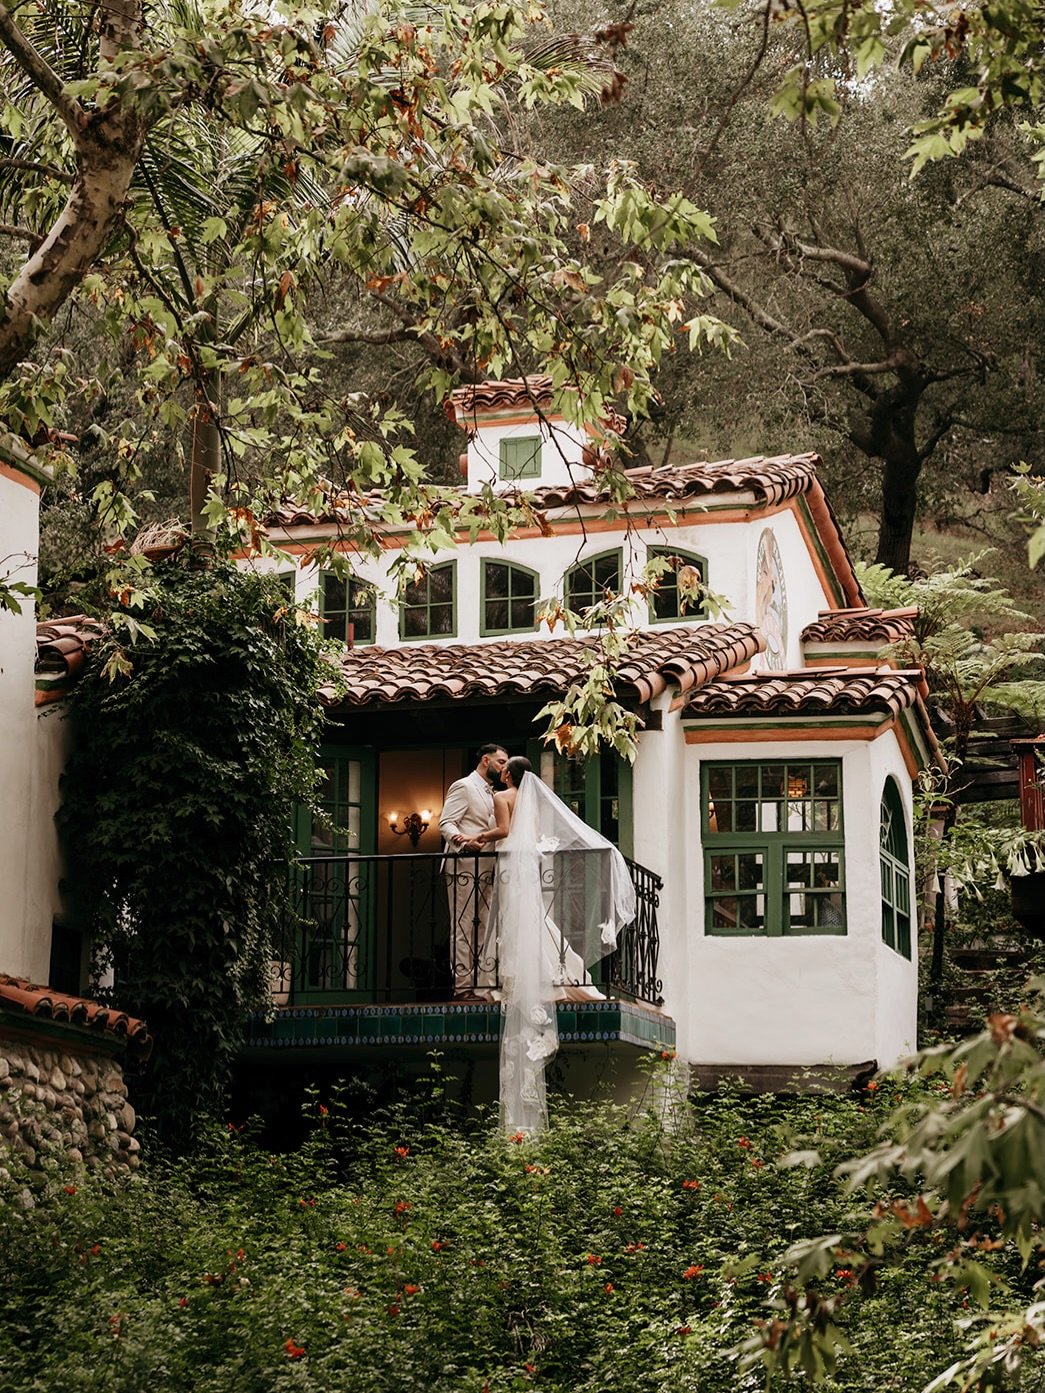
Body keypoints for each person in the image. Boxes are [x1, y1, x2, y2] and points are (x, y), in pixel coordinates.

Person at [482, 757, 637, 1134]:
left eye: (504, 769)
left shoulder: (504, 796)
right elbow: (531, 834)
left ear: (508, 774)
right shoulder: (532, 801)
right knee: (532, 920)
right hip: (529, 864)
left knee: (516, 922)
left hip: (510, 863)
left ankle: (519, 977)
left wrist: (477, 839)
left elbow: (503, 830)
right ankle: (556, 971)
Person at [438, 743, 508, 997]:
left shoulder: (494, 793)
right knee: (463, 925)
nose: (504, 767)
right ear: (485, 760)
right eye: (501, 762)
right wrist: (464, 841)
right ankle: (462, 987)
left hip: (488, 867)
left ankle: (481, 984)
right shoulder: (464, 786)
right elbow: (446, 823)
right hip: (464, 866)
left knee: (485, 926)